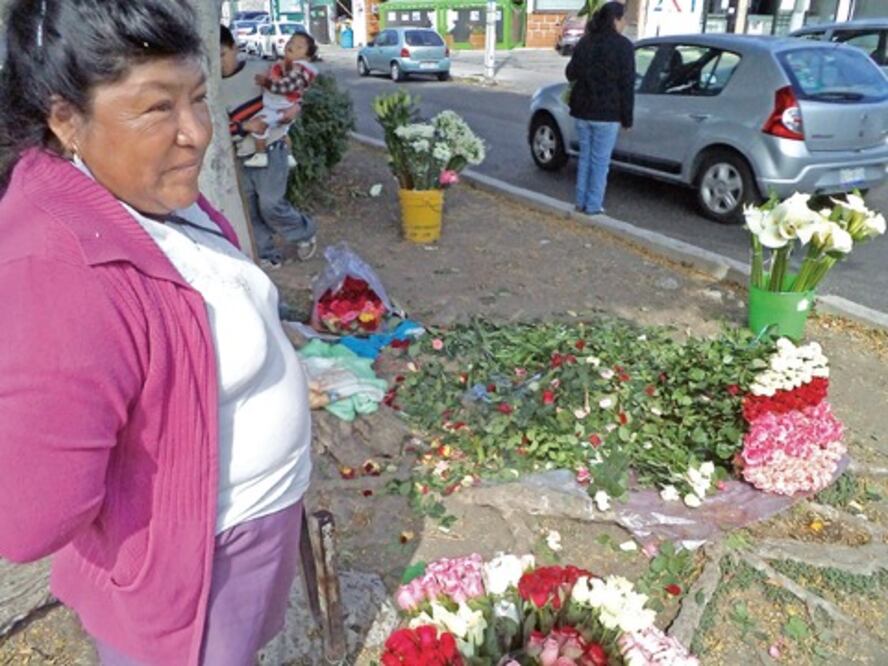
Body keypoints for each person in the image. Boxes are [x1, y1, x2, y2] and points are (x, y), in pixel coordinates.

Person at [0, 1, 313, 664]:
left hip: (240, 549)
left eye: (198, 97)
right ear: (65, 120)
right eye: (157, 108)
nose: (197, 132)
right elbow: (30, 516)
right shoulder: (60, 266)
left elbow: (186, 324)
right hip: (188, 578)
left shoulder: (143, 188)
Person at [220, 25, 317, 268]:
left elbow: (293, 90)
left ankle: (302, 232)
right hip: (241, 153)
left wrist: (297, 107)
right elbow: (219, 128)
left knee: (271, 203)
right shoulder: (211, 88)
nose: (218, 63)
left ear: (234, 47)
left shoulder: (260, 70)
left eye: (221, 54)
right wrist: (244, 128)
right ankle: (266, 254)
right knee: (250, 209)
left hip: (273, 145)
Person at [565, 1, 635, 215]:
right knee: (600, 162)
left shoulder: (586, 42)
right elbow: (627, 85)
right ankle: (594, 205)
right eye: (624, 19)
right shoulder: (623, 46)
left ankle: (580, 201)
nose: (625, 24)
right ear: (616, 20)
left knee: (585, 158)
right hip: (608, 112)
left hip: (583, 110)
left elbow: (570, 73)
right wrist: (627, 118)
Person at [245, 32, 319, 170]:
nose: (292, 46)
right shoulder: (289, 65)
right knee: (283, 133)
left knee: (258, 124)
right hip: (282, 106)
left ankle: (260, 155)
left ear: (307, 56)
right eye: (291, 41)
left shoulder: (298, 70)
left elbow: (284, 87)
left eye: (299, 46)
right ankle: (289, 156)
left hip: (280, 107)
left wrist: (266, 83)